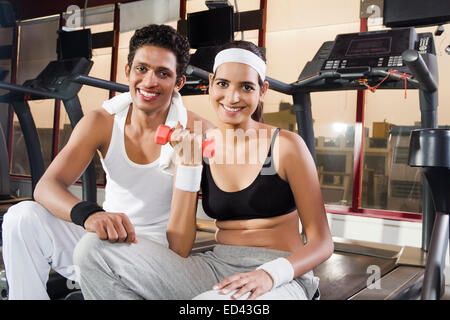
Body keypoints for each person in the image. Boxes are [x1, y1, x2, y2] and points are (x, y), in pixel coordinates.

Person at [74, 40, 334, 300]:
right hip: (217, 268)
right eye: (222, 84)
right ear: (210, 84)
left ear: (262, 91)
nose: (232, 97)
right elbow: (179, 247)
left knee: (207, 304)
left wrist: (270, 274)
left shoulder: (285, 146)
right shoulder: (201, 145)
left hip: (280, 277)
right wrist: (187, 165)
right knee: (93, 249)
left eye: (246, 87)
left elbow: (322, 243)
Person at [1, 24, 212, 300]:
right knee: (21, 218)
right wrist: (89, 214)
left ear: (178, 83)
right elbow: (46, 187)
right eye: (141, 69)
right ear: (127, 72)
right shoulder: (102, 122)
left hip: (158, 260)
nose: (149, 82)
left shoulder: (197, 130)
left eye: (163, 73)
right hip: (102, 243)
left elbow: (246, 157)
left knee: (95, 248)